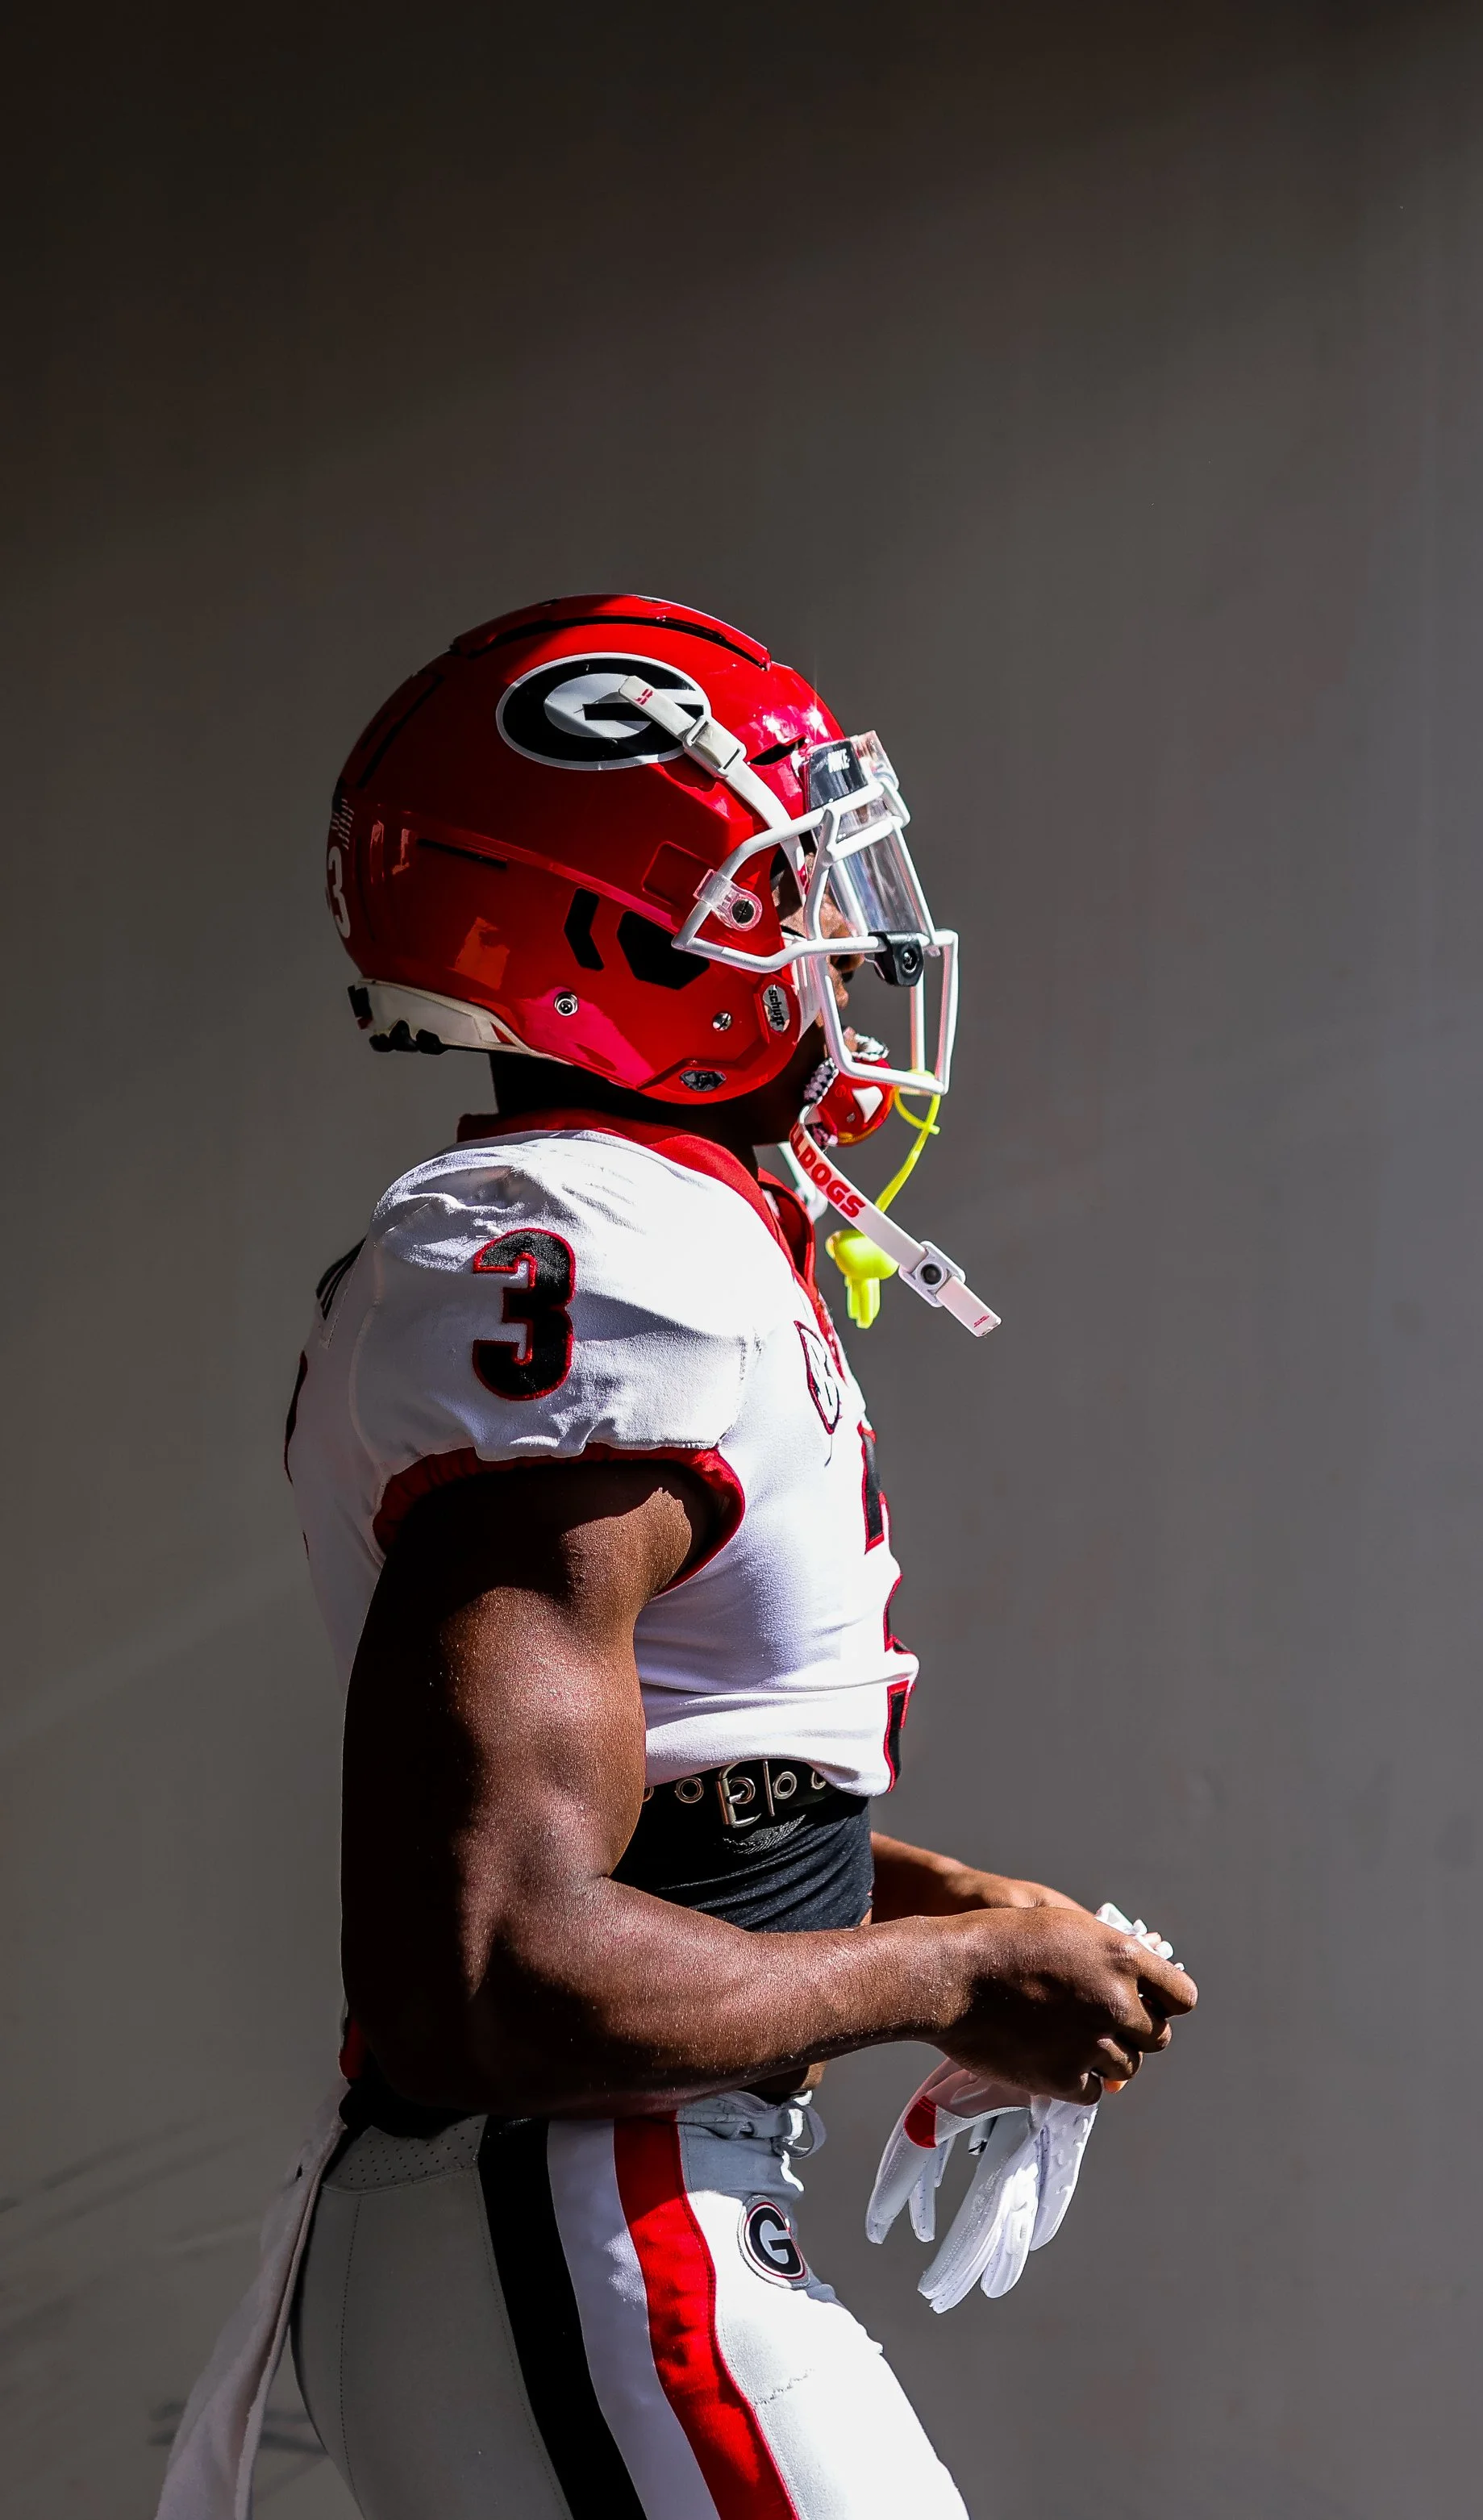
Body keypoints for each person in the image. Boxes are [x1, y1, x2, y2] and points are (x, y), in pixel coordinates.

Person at [269, 594, 1194, 2519]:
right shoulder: (597, 1254)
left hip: (564, 2223)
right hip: (578, 2213)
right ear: (626, 935)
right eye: (785, 893)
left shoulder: (650, 1238)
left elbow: (645, 1808)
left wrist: (951, 1906)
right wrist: (947, 1965)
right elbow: (493, 1966)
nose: (848, 950)